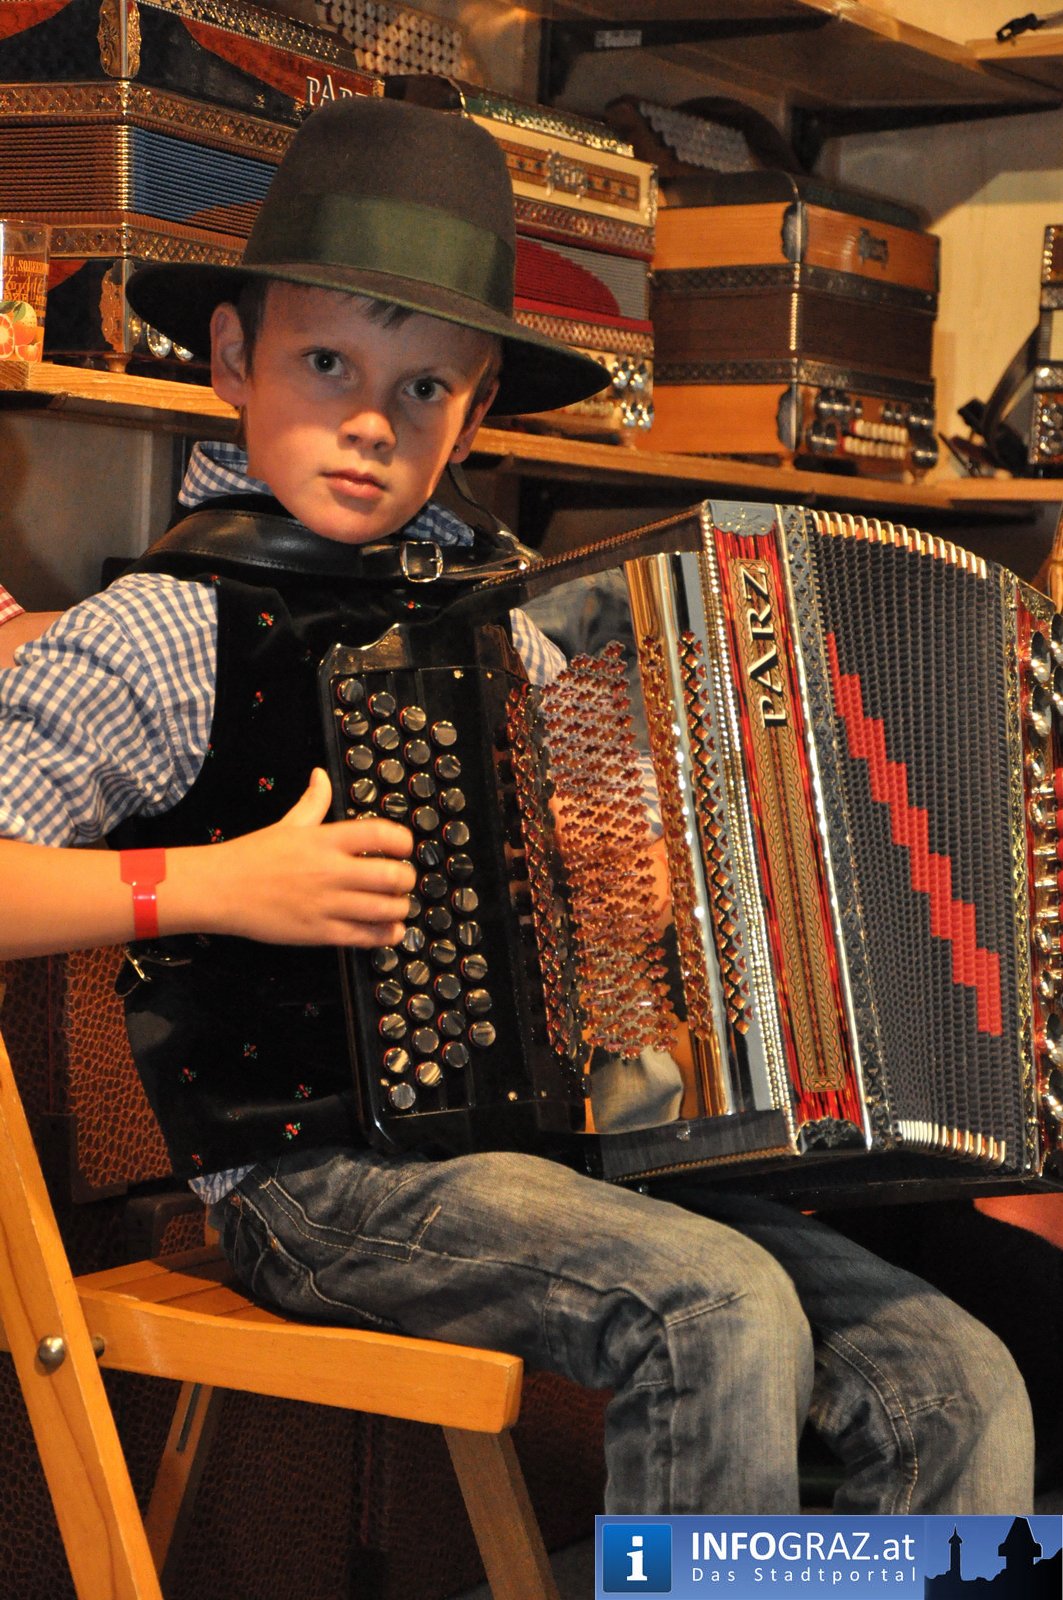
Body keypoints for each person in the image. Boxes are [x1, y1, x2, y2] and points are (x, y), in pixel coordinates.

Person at [0, 94, 1035, 1516]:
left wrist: (644, 897)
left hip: (551, 1151)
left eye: (426, 387)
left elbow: (615, 914)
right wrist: (217, 884)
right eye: (326, 361)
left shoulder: (515, 621)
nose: (373, 421)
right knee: (714, 1309)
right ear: (233, 356)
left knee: (958, 1382)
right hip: (312, 1181)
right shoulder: (173, 625)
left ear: (477, 411)